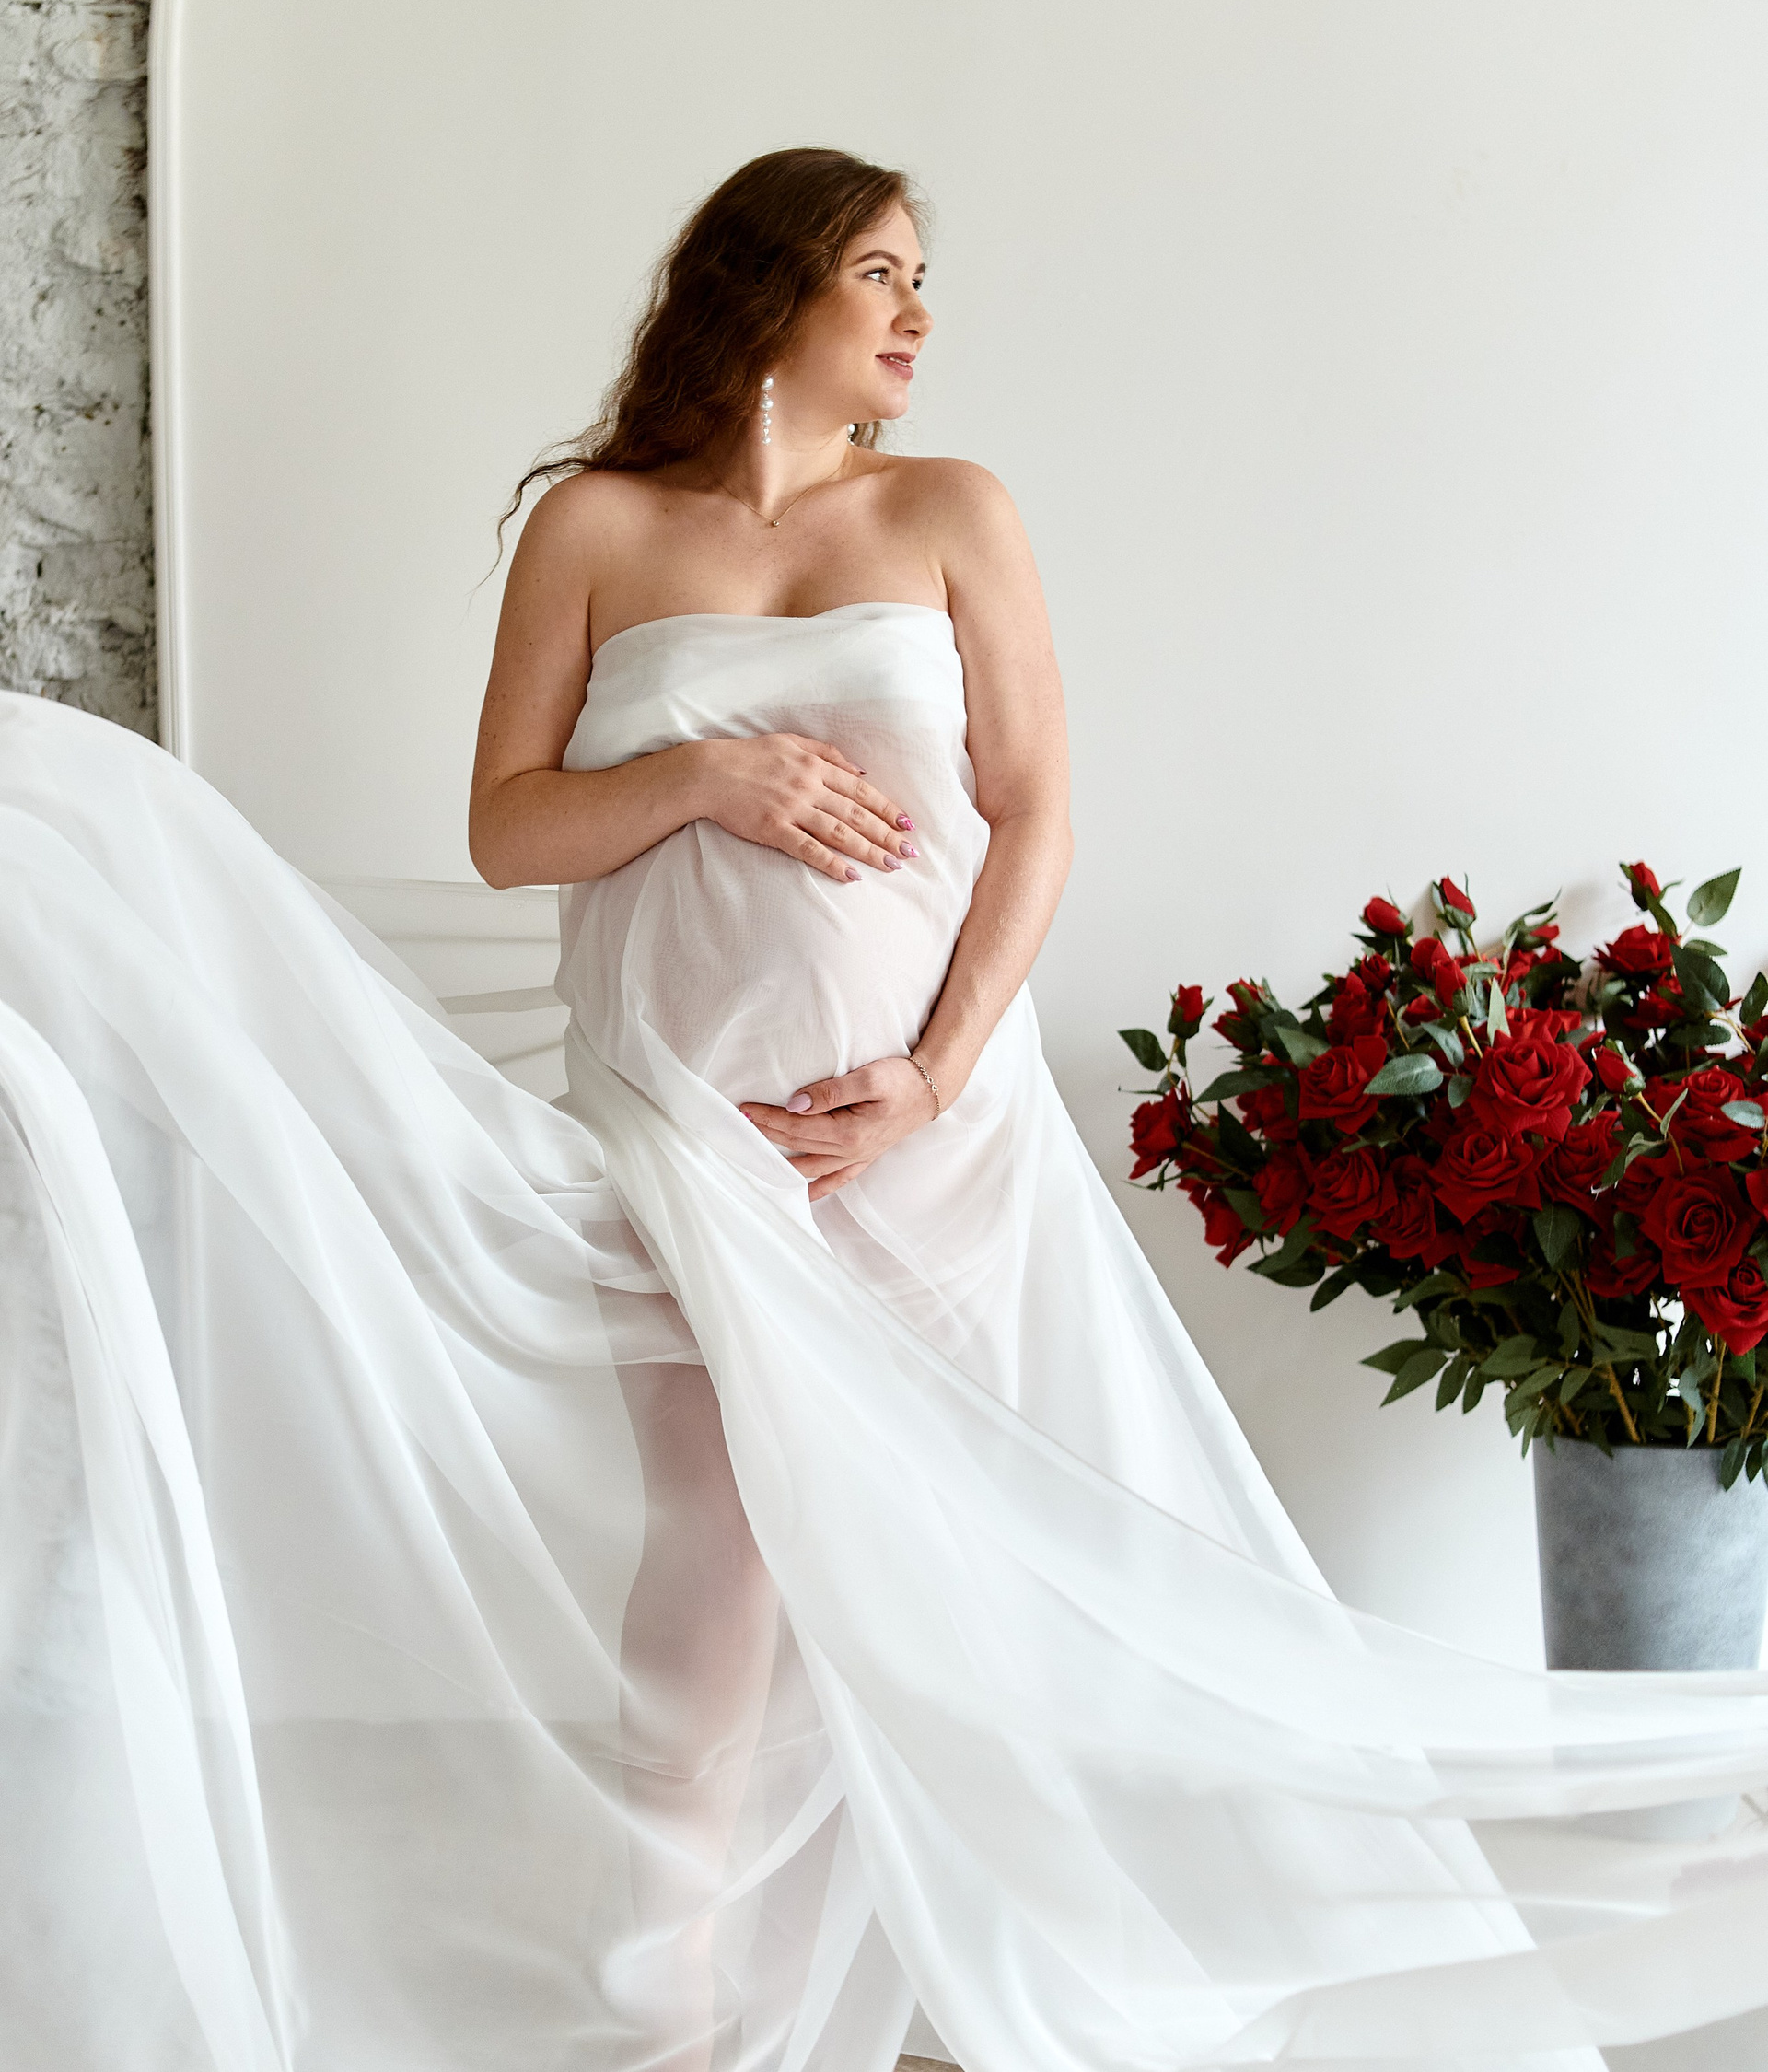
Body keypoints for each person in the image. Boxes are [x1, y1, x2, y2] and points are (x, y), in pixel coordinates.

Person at [7, 149, 1768, 2072]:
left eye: (923, 277)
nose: (920, 313)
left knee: (961, 1572)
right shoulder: (595, 526)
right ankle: (666, 2008)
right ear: (762, 288)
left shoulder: (950, 511)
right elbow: (510, 827)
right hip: (691, 1133)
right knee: (714, 1566)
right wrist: (711, 780)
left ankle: (973, 1970)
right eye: (879, 272)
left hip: (930, 1136)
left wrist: (933, 1076)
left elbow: (1037, 812)